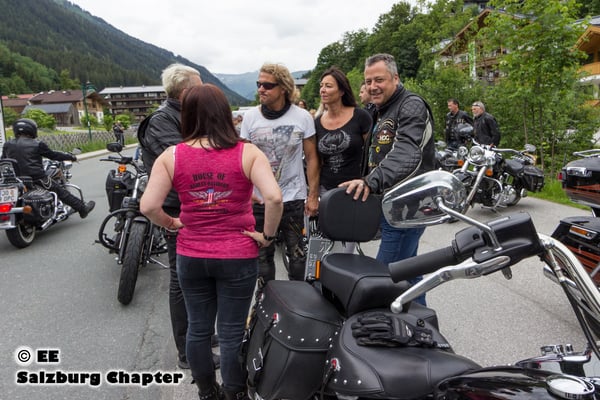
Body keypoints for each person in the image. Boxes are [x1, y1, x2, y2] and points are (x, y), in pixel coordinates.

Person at [140, 83, 283, 400]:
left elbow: (148, 206)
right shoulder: (247, 152)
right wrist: (267, 237)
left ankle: (207, 391)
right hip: (237, 254)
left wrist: (172, 223)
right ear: (224, 113)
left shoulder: (171, 155)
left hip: (191, 254)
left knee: (198, 328)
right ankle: (234, 393)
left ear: (187, 115)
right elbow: (274, 197)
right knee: (231, 332)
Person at [137, 63, 221, 371]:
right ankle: (187, 350)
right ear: (185, 92)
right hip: (177, 210)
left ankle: (202, 336)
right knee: (183, 280)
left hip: (197, 205)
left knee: (202, 276)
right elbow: (187, 161)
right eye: (199, 87)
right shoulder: (161, 121)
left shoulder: (187, 115)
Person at [339, 53, 435, 306]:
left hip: (407, 206)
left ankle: (380, 323)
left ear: (395, 78)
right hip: (391, 204)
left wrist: (371, 181)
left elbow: (407, 152)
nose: (372, 86)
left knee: (382, 276)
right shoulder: (379, 109)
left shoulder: (411, 105)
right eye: (368, 81)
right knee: (408, 272)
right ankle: (422, 322)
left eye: (379, 80)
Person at [240, 62, 320, 284]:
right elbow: (243, 158)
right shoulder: (250, 117)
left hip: (293, 198)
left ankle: (298, 298)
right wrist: (245, 193)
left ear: (283, 88)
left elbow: (312, 158)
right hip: (260, 199)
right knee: (262, 256)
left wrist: (313, 195)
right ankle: (266, 298)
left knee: (297, 255)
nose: (261, 89)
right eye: (259, 84)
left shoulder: (302, 117)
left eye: (267, 85)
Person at [316, 67, 372, 253]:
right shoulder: (317, 122)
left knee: (345, 248)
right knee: (324, 247)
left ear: (341, 91)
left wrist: (369, 180)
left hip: (353, 191)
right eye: (321, 85)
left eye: (328, 86)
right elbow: (316, 161)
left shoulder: (360, 117)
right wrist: (313, 194)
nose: (323, 90)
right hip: (326, 191)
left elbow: (372, 153)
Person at [1, 118, 96, 218]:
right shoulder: (37, 144)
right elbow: (54, 155)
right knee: (60, 191)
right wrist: (71, 157)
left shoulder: (7, 145)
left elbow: (3, 160)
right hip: (36, 178)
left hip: (16, 179)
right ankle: (82, 208)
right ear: (31, 130)